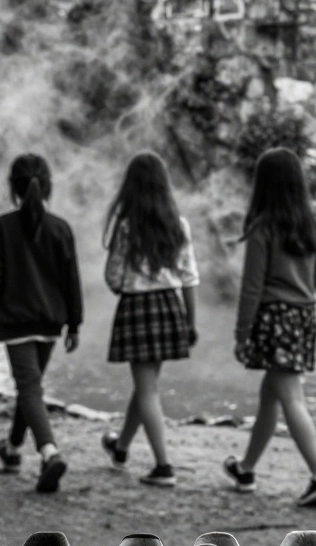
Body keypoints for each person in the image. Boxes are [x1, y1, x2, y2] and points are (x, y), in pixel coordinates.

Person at [222, 147, 316, 507]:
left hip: (274, 319)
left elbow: (252, 287)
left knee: (291, 396)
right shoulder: (312, 228)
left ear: (264, 186)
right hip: (303, 320)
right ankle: (245, 469)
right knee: (271, 395)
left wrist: (241, 334)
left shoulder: (263, 229)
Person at [0, 154, 83, 493]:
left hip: (16, 321)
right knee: (30, 386)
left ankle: (50, 453)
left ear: (14, 188)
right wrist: (75, 324)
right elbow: (72, 282)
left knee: (29, 387)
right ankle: (11, 448)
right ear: (48, 185)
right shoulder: (60, 228)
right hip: (52, 323)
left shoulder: (2, 227)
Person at [100, 151, 199, 487]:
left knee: (147, 389)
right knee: (147, 387)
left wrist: (125, 287)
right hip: (170, 306)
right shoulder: (178, 224)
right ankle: (121, 449)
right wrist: (191, 322)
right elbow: (189, 276)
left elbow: (113, 275)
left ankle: (163, 466)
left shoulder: (126, 226)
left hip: (137, 308)